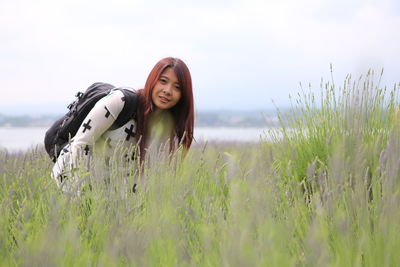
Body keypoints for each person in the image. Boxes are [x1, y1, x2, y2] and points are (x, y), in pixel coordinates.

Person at [51, 57, 194, 194]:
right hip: (70, 181)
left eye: (177, 87)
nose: (168, 91)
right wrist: (79, 195)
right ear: (152, 80)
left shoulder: (169, 133)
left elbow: (150, 179)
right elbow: (81, 144)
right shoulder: (121, 101)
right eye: (163, 81)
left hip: (107, 197)